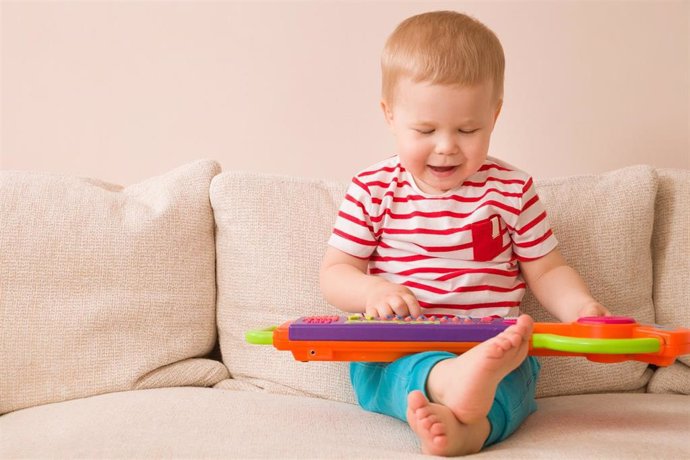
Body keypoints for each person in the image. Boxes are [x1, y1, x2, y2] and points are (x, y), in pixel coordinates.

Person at [319, 10, 611, 456]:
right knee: (390, 375)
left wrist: (581, 307)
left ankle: (464, 431)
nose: (446, 145)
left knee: (516, 380)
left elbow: (548, 270)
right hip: (395, 346)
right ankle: (449, 383)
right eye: (425, 129)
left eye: (468, 129)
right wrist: (372, 291)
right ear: (390, 116)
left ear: (493, 116)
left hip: (493, 345)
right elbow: (336, 272)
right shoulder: (373, 189)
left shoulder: (513, 190)